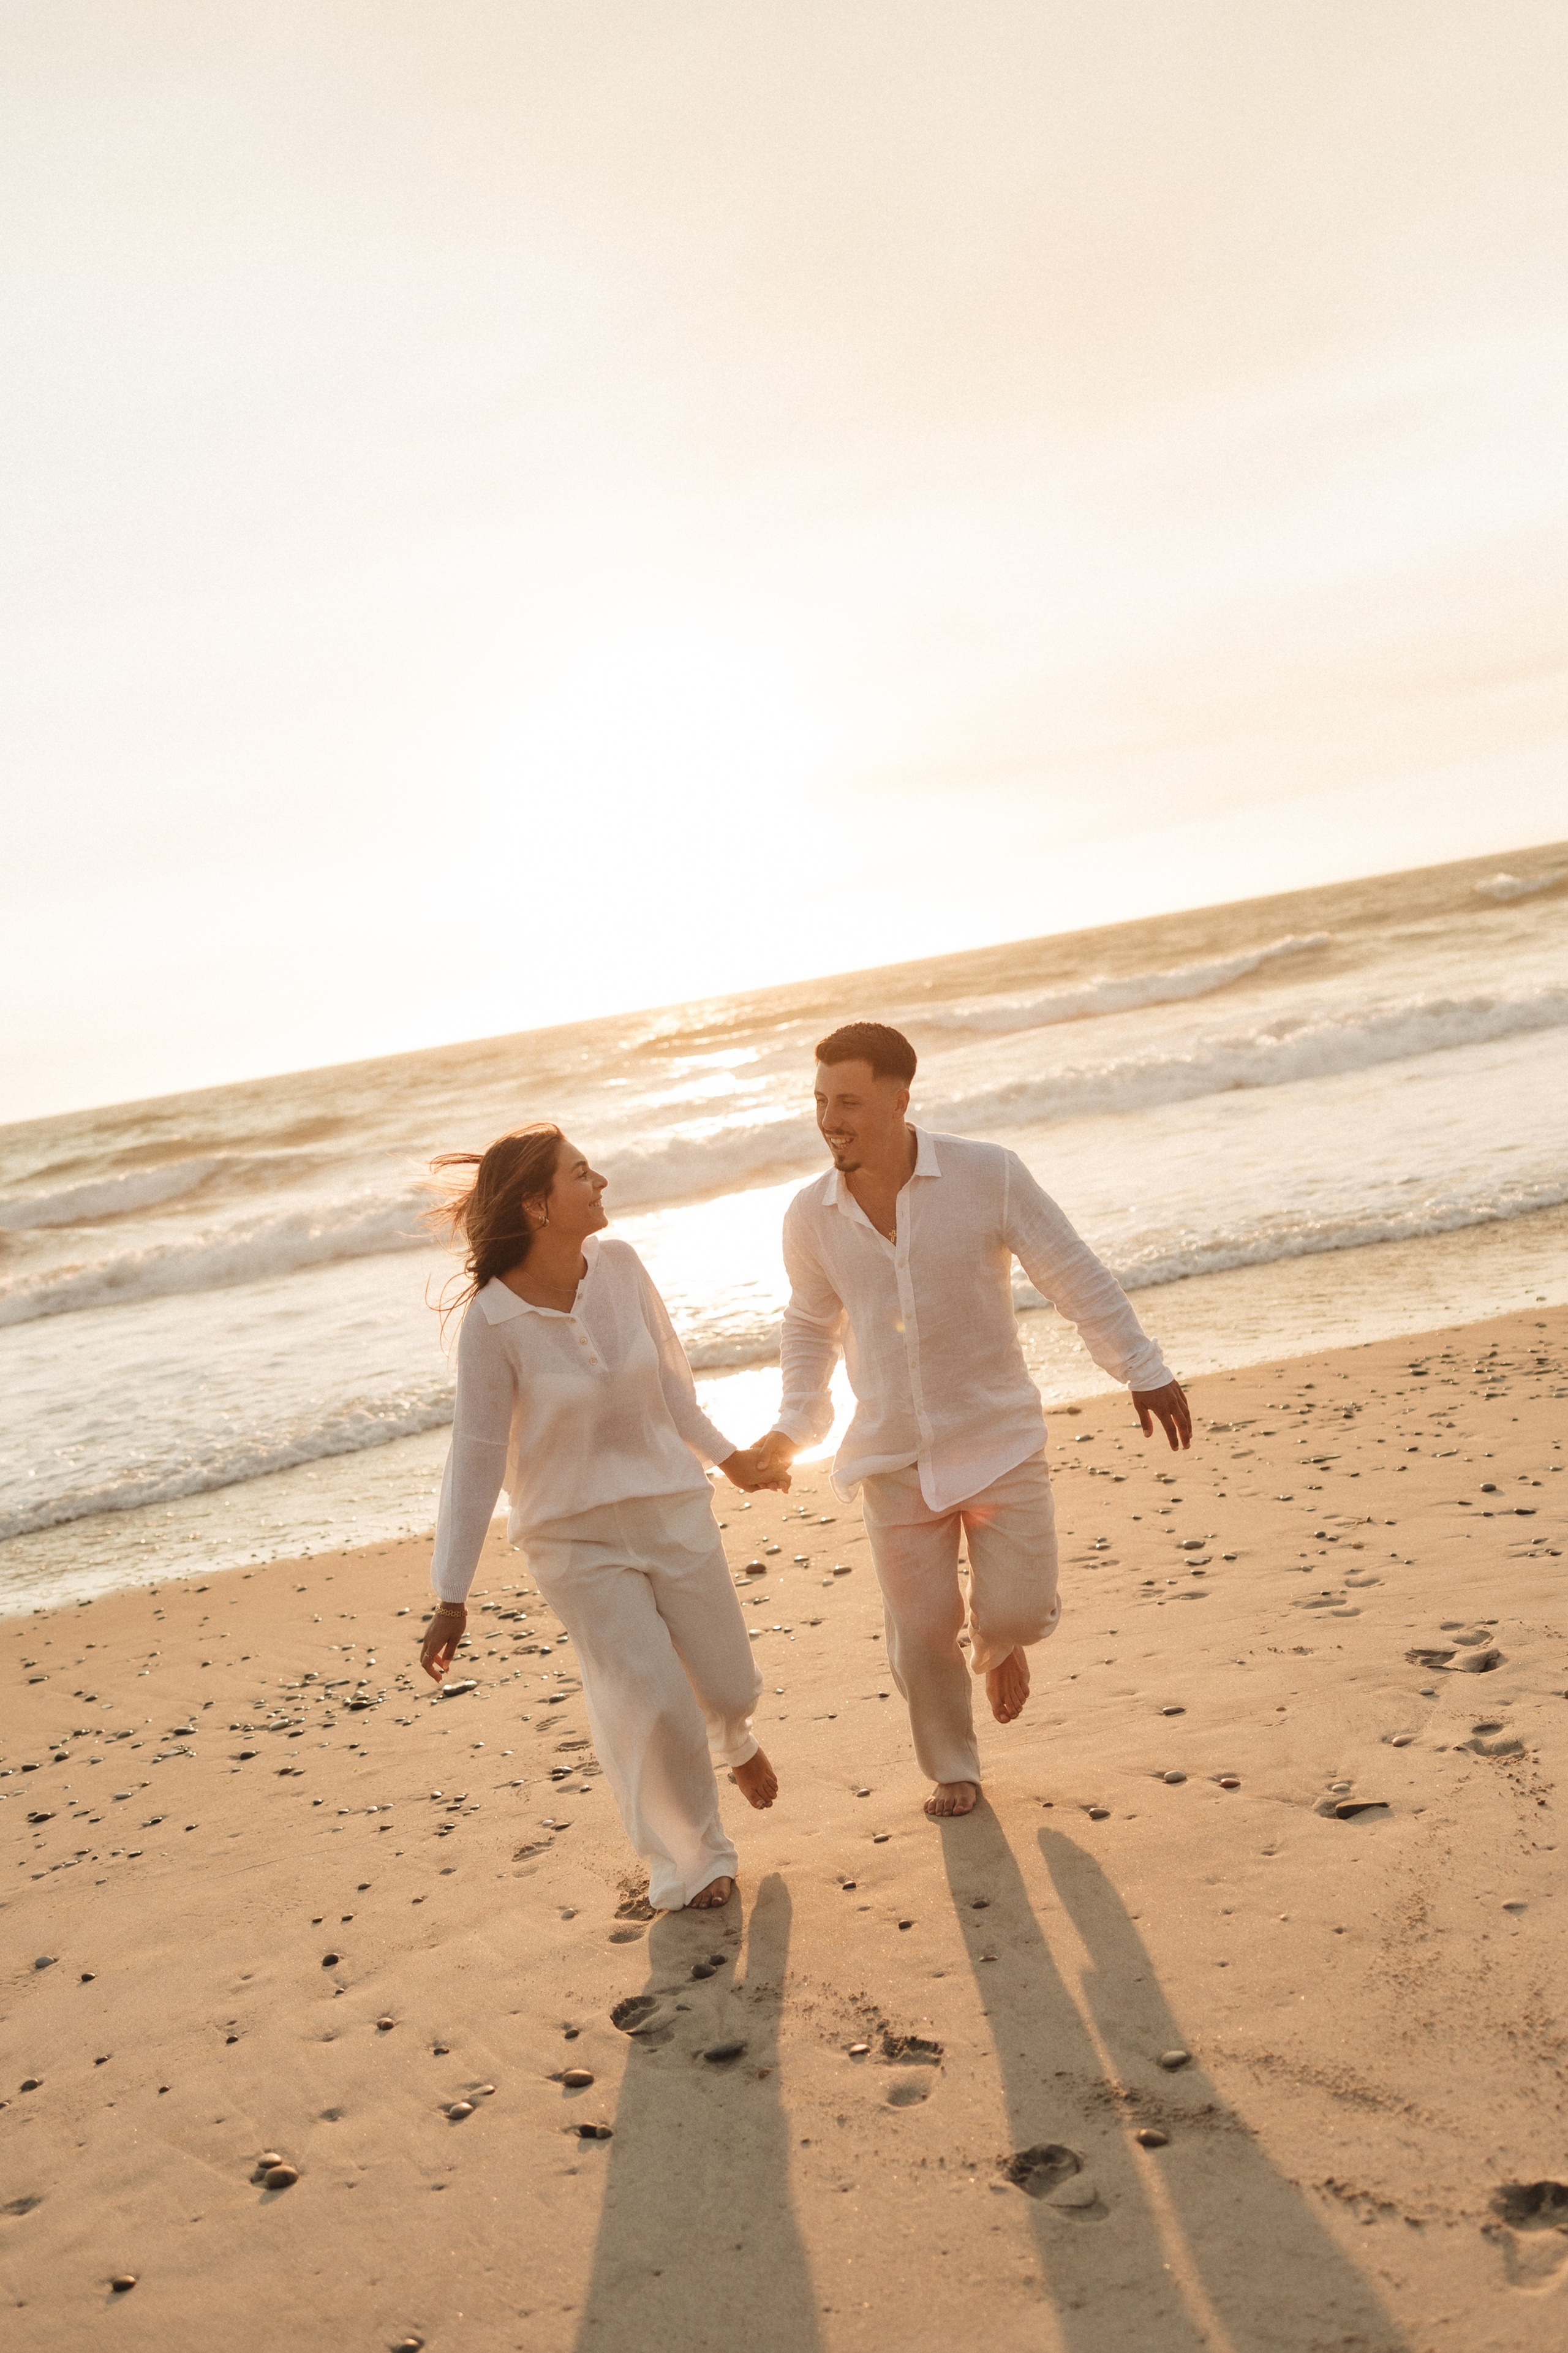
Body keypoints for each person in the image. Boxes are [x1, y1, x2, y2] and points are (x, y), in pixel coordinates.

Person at [750, 1023, 1191, 1819]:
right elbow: (810, 1328)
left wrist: (1142, 1366)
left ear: (898, 1098)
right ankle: (954, 1766)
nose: (830, 1119)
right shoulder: (808, 1216)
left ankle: (1001, 1642)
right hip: (889, 1453)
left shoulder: (988, 1175)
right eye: (819, 1101)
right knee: (921, 1632)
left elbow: (1071, 1270)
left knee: (1019, 1606)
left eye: (848, 1101)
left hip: (996, 1435)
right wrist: (792, 1429)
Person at [417, 1124, 785, 1910]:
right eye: (582, 1174)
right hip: (572, 1538)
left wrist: (732, 1461)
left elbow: (673, 1388)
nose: (602, 1182)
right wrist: (452, 1592)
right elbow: (476, 1455)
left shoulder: (619, 1267)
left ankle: (734, 1735)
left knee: (726, 1679)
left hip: (669, 1506)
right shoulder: (493, 1323)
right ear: (538, 1204)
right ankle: (692, 1860)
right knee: (650, 1696)